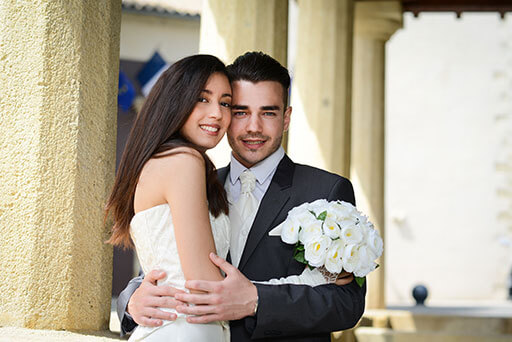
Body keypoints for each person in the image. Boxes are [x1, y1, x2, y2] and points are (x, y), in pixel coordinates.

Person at [117, 52, 366, 342]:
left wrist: (257, 299)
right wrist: (132, 303)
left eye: (268, 112)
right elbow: (169, 264)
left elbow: (348, 304)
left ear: (286, 118)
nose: (253, 128)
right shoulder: (198, 180)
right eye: (240, 111)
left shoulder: (327, 190)